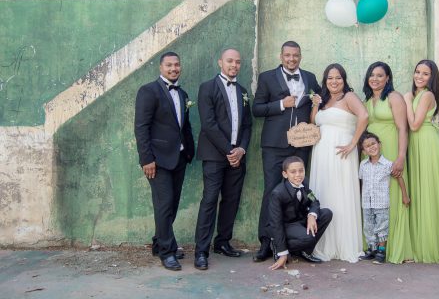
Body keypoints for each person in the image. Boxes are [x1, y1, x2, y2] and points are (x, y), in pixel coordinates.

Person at [252, 41, 320, 262]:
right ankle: (266, 242)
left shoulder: (310, 78)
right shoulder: (266, 77)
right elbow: (256, 109)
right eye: (288, 55)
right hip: (274, 146)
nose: (292, 59)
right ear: (281, 56)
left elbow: (321, 99)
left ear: (300, 56)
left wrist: (322, 100)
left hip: (301, 145)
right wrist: (281, 104)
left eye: (295, 55)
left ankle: (299, 242)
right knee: (272, 191)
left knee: (301, 191)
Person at [134, 52, 195, 271]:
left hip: (179, 158)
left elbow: (184, 126)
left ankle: (159, 242)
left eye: (176, 65)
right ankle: (167, 252)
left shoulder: (183, 93)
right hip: (157, 160)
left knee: (172, 204)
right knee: (164, 203)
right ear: (161, 67)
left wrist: (189, 151)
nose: (173, 68)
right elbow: (141, 127)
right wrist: (146, 159)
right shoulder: (148, 91)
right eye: (169, 65)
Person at [193, 49, 252, 271]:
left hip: (238, 156)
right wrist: (230, 151)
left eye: (238, 62)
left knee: (231, 200)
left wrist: (241, 149)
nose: (234, 65)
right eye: (230, 61)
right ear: (220, 62)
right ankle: (201, 250)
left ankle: (223, 242)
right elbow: (208, 124)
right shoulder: (207, 87)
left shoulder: (243, 91)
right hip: (215, 155)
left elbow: (247, 125)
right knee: (209, 200)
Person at [309, 63, 368, 263]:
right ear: (325, 81)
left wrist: (353, 143)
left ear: (344, 80)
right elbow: (313, 122)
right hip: (321, 153)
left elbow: (364, 116)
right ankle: (324, 243)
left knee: (341, 193)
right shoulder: (323, 99)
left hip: (342, 152)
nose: (334, 81)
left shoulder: (349, 97)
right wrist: (315, 104)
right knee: (324, 192)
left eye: (338, 78)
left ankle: (344, 244)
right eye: (330, 78)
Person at [362, 61, 413, 263]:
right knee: (374, 197)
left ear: (388, 78)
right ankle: (373, 245)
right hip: (371, 151)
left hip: (390, 149)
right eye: (372, 75)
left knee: (391, 194)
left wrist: (400, 156)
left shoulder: (394, 97)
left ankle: (392, 247)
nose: (375, 79)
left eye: (380, 75)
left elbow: (402, 128)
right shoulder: (368, 99)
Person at [403, 59, 439, 263]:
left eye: (425, 74)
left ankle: (430, 247)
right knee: (419, 192)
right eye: (417, 72)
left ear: (432, 78)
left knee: (427, 192)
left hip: (427, 144)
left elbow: (414, 125)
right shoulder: (417, 94)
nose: (419, 76)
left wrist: (406, 101)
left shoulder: (427, 95)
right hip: (417, 145)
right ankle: (419, 244)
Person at [267, 156, 333, 270]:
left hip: (301, 220)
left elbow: (314, 201)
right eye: (293, 172)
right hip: (287, 225)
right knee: (309, 238)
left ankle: (305, 251)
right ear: (285, 174)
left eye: (301, 171)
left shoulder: (304, 183)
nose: (298, 175)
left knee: (327, 213)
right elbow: (276, 224)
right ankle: (277, 247)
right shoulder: (278, 193)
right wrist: (283, 254)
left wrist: (311, 215)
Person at [358, 132, 410, 264]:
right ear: (364, 151)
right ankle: (372, 249)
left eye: (373, 143)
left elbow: (399, 178)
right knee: (368, 227)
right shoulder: (363, 165)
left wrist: (405, 196)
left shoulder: (387, 164)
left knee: (381, 227)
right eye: (367, 146)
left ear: (379, 144)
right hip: (366, 203)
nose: (371, 147)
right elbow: (362, 182)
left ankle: (381, 252)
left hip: (381, 202)